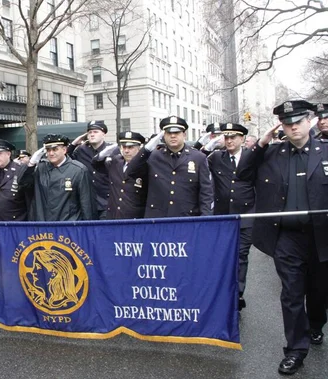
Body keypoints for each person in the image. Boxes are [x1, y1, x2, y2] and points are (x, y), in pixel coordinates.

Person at [237, 100, 328, 375]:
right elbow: (243, 175)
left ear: (309, 121)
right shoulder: (272, 154)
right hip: (287, 237)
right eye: (287, 124)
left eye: (298, 121)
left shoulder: (325, 151)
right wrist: (261, 143)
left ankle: (315, 323)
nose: (293, 127)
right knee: (291, 294)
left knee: (319, 291)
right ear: (282, 128)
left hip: (321, 235)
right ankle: (295, 349)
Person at [125, 116, 214, 218]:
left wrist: (205, 219)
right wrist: (146, 150)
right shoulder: (153, 156)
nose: (173, 136)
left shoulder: (198, 157)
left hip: (187, 218)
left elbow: (206, 192)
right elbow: (131, 172)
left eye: (176, 133)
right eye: (169, 133)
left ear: (184, 135)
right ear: (163, 136)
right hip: (157, 219)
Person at [207, 123, 255, 311]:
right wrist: (212, 143)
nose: (229, 141)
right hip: (223, 216)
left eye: (233, 137)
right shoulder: (217, 157)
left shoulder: (251, 157)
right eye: (226, 137)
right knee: (223, 256)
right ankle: (224, 292)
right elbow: (197, 155)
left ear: (242, 139)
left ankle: (238, 293)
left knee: (241, 255)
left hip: (246, 214)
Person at [20, 134, 96, 221]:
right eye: (48, 150)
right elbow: (24, 187)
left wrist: (87, 228)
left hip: (68, 226)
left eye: (55, 149)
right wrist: (31, 165)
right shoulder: (40, 168)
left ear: (64, 150)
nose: (51, 153)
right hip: (43, 226)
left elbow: (86, 203)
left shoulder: (78, 170)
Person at [92, 131, 147, 219]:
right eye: (124, 147)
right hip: (114, 216)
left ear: (139, 148)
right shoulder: (115, 162)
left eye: (130, 147)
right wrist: (106, 151)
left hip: (135, 218)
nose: (126, 151)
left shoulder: (146, 166)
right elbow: (96, 164)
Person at [67, 120, 114, 219]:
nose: (92, 135)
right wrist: (74, 144)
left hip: (106, 201)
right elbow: (65, 159)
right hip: (86, 202)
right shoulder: (81, 150)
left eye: (95, 132)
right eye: (89, 132)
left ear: (103, 134)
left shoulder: (112, 150)